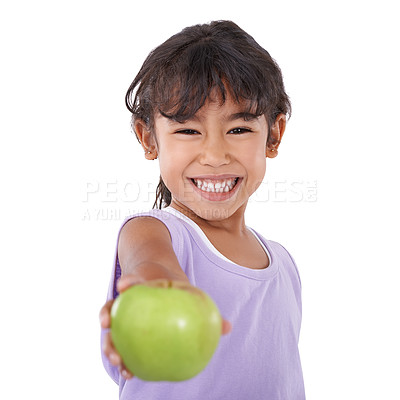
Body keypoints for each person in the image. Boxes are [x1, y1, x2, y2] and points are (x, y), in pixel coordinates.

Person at [100, 20, 305, 399]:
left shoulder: (284, 265)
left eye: (239, 129)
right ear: (148, 139)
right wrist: (157, 285)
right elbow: (148, 259)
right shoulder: (155, 232)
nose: (214, 155)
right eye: (188, 131)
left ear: (273, 135)